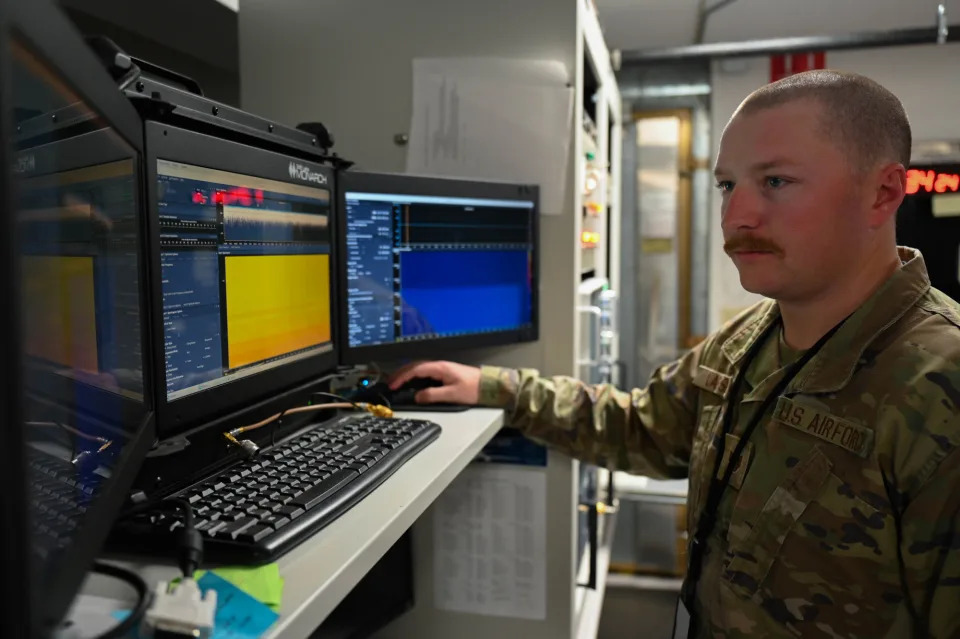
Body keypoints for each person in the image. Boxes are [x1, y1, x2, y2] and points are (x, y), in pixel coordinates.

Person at [389, 70, 960, 639]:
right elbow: (642, 427)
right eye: (727, 185)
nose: (736, 215)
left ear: (882, 192)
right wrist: (495, 389)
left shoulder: (939, 385)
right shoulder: (748, 340)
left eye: (777, 181)